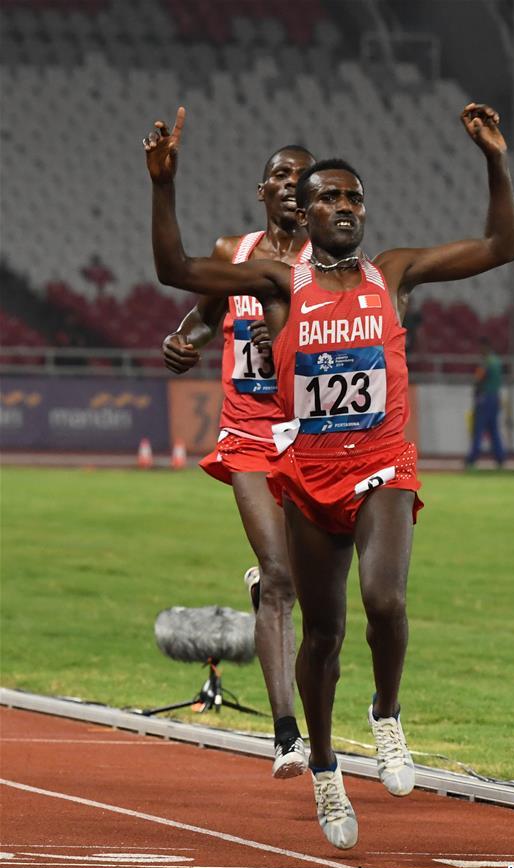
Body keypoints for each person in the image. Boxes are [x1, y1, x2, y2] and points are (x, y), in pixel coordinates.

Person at [144, 101, 514, 849]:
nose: (345, 206)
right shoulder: (279, 285)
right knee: (325, 633)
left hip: (384, 460)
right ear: (304, 214)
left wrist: (495, 160)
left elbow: (499, 245)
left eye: (354, 196)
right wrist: (164, 184)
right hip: (309, 470)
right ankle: (321, 765)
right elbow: (176, 270)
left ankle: (386, 714)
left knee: (385, 598)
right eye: (329, 197)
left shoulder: (395, 273)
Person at [161, 144, 316, 780]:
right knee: (282, 578)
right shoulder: (234, 253)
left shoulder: (329, 267)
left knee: (307, 586)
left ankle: (263, 588)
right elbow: (205, 315)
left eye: (302, 179)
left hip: (311, 437)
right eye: (280, 176)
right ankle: (286, 736)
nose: (290, 186)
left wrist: (286, 339)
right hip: (248, 432)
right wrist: (182, 341)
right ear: (262, 191)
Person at [465, 335, 507, 468]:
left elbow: (479, 378)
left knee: (479, 429)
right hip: (495, 397)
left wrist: (476, 389)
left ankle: (473, 458)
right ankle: (500, 458)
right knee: (494, 429)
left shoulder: (486, 362)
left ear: (485, 347)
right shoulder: (497, 361)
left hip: (485, 398)